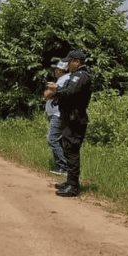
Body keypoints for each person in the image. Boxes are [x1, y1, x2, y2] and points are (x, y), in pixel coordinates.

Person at [45, 50, 92, 197]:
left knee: (71, 152)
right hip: (70, 118)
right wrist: (58, 90)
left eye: (69, 61)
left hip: (75, 120)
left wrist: (56, 89)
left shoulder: (81, 76)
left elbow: (70, 92)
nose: (67, 64)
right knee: (67, 148)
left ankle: (73, 186)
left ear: (76, 62)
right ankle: (70, 181)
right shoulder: (75, 75)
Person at [45, 59, 70, 176]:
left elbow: (48, 95)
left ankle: (63, 166)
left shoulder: (64, 79)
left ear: (64, 70)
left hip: (58, 114)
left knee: (52, 139)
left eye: (58, 69)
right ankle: (61, 166)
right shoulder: (61, 79)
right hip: (55, 113)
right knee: (58, 140)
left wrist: (50, 90)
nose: (55, 71)